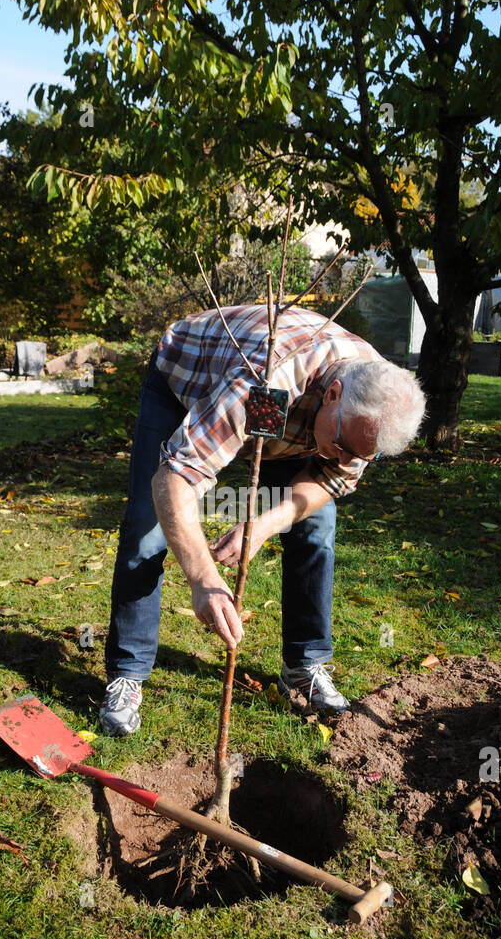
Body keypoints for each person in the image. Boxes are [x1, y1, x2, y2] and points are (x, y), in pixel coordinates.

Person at [99, 300, 425, 736]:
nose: (348, 460)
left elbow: (328, 480)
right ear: (333, 395)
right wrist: (204, 580)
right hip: (186, 377)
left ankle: (304, 667)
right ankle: (128, 674)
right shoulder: (266, 381)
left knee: (316, 527)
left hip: (293, 416)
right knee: (147, 528)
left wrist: (262, 527)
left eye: (364, 456)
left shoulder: (377, 403)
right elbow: (177, 476)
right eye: (344, 445)